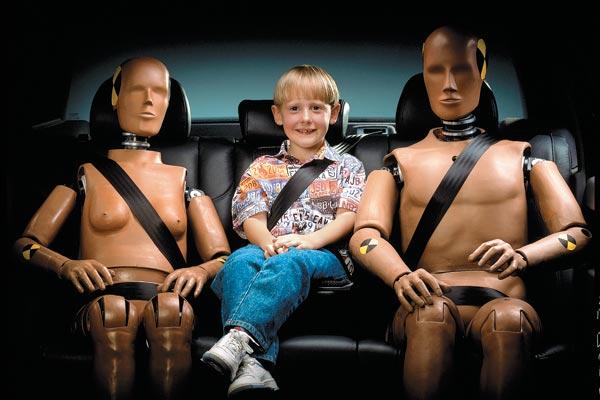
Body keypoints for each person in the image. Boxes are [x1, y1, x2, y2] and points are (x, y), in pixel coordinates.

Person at [349, 26, 591, 400]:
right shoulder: (397, 163)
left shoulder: (526, 158)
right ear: (423, 77)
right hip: (425, 299)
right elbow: (365, 238)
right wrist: (399, 275)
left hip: (504, 298)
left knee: (508, 321)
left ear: (481, 72)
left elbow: (577, 236)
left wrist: (524, 255)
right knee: (431, 315)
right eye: (435, 71)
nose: (449, 84)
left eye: (461, 70)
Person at [14, 57, 231, 400]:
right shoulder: (85, 175)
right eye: (137, 89)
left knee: (171, 312)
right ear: (115, 97)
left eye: (159, 92)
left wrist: (201, 271)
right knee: (113, 313)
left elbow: (223, 258)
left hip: (165, 296)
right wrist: (65, 265)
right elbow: (25, 245)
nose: (149, 100)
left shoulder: (184, 182)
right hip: (101, 297)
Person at [201, 65, 365, 396]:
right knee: (239, 260)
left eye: (316, 108)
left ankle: (238, 338)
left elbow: (348, 217)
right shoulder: (262, 166)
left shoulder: (349, 166)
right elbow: (252, 218)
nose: (305, 118)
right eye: (294, 108)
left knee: (291, 259)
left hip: (325, 254)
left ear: (333, 113)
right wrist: (268, 243)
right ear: (277, 115)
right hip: (269, 247)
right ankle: (253, 367)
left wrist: (309, 241)